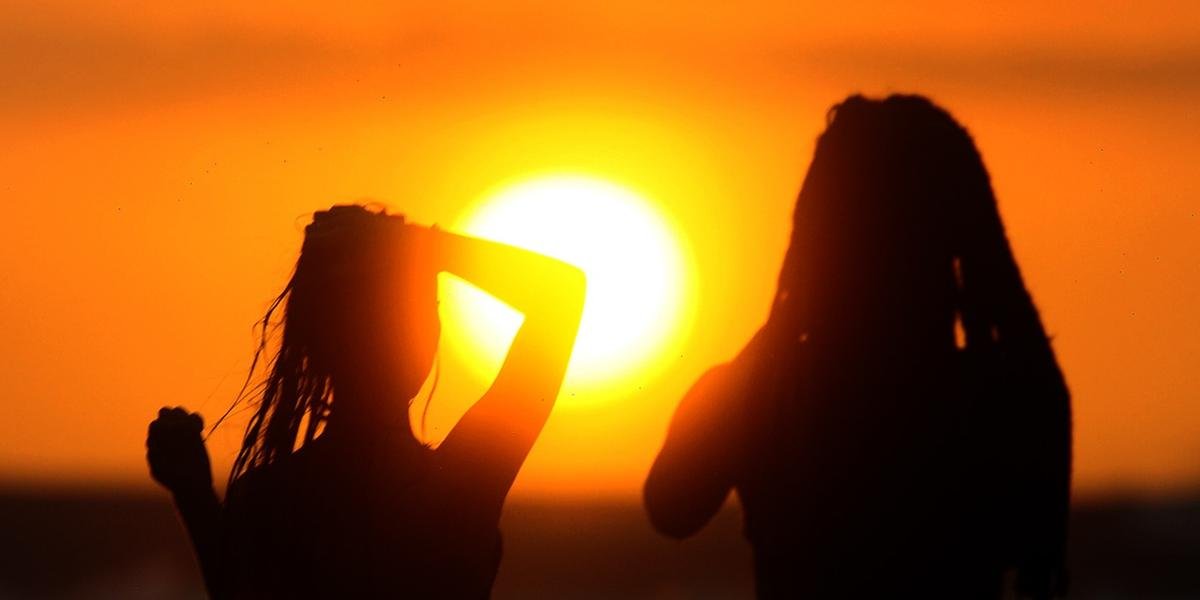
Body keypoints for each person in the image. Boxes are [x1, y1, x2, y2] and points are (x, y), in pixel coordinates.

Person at [644, 95, 1072, 598]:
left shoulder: (764, 397)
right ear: (958, 243)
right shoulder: (1006, 400)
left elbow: (671, 509)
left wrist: (768, 342)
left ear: (817, 239)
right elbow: (1034, 556)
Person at [147, 205, 586, 598]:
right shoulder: (462, 484)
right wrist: (421, 244)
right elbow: (560, 293)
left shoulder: (267, 496)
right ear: (427, 336)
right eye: (418, 310)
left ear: (313, 340)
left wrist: (196, 498)